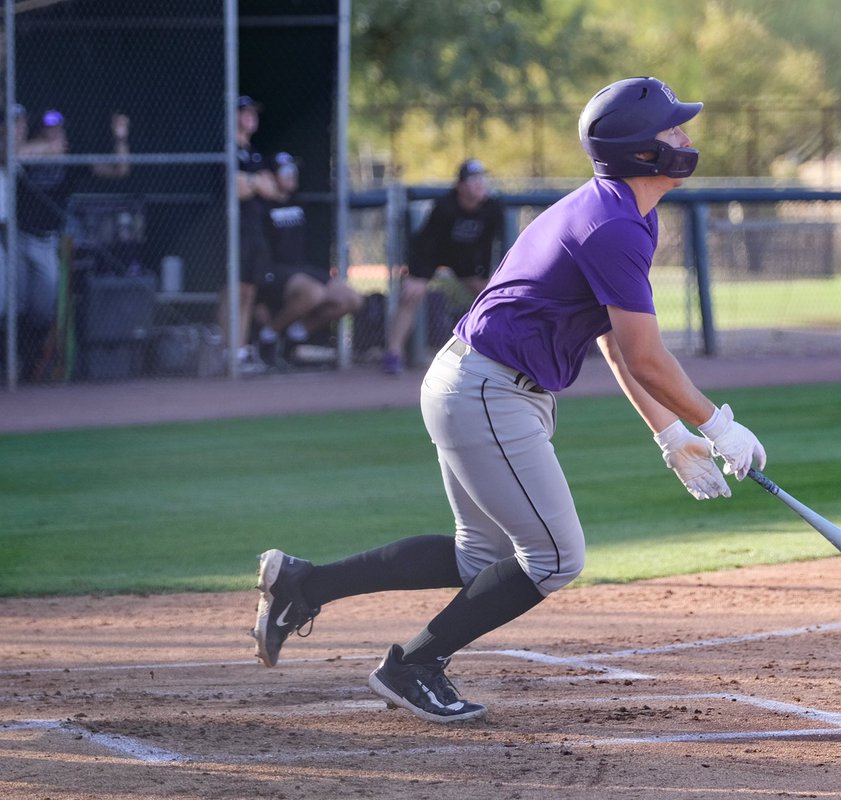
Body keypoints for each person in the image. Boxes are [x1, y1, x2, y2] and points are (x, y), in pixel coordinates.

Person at [251, 76, 766, 723]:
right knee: (555, 558)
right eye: (672, 130)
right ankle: (412, 665)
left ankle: (305, 583)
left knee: (480, 559)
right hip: (491, 391)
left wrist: (669, 433)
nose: (686, 137)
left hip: (481, 385)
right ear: (643, 153)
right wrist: (717, 424)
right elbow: (645, 356)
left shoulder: (624, 209)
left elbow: (614, 341)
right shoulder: (612, 223)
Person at [1, 107, 130, 381]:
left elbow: (119, 170)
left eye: (59, 128)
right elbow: (14, 155)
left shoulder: (71, 158)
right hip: (16, 238)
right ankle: (11, 364)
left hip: (46, 242)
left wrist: (120, 138)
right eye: (50, 128)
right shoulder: (28, 152)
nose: (56, 133)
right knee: (14, 305)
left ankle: (32, 363)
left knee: (44, 307)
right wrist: (47, 148)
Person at [381, 158, 503, 374]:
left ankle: (497, 351)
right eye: (473, 179)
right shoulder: (446, 207)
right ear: (461, 186)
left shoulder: (492, 208)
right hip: (432, 254)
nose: (480, 183)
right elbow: (427, 244)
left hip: (465, 257)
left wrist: (483, 275)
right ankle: (393, 353)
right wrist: (419, 275)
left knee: (489, 295)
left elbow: (487, 246)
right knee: (410, 293)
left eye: (482, 178)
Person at [253, 151, 363, 366]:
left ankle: (294, 337)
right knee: (314, 293)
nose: (291, 176)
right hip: (274, 271)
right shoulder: (260, 206)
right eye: (285, 171)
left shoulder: (298, 201)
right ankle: (268, 338)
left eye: (293, 171)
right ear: (271, 176)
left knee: (352, 300)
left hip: (301, 269)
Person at [216, 95, 284, 374]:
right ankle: (223, 352)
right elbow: (235, 189)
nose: (250, 116)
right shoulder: (225, 150)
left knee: (248, 292)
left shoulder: (254, 153)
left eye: (253, 112)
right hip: (233, 230)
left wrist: (251, 182)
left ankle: (240, 351)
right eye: (244, 111)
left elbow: (275, 190)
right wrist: (255, 183)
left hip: (256, 231)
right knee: (233, 290)